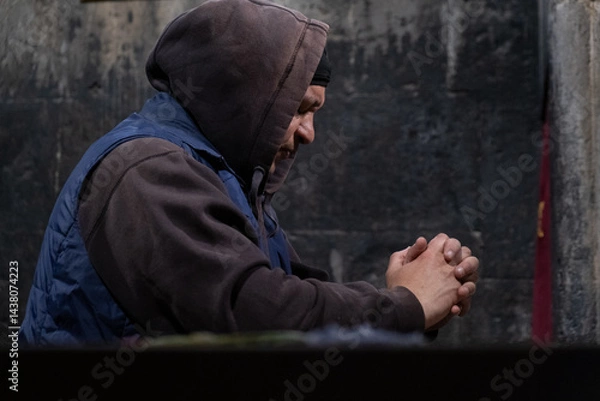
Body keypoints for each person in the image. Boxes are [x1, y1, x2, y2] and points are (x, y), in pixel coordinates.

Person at [20, 0, 478, 345]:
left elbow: (298, 297)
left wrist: (417, 297)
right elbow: (259, 314)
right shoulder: (148, 172)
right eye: (299, 110)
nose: (310, 134)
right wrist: (405, 305)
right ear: (242, 98)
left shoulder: (223, 177)